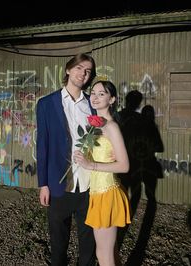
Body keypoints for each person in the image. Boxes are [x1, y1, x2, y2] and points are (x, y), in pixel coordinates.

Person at [36, 53, 97, 266]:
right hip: (58, 185)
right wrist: (43, 184)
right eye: (79, 68)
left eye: (88, 71)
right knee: (58, 246)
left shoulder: (92, 105)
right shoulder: (46, 104)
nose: (83, 73)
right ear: (68, 70)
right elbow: (42, 145)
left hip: (89, 185)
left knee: (88, 246)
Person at [74, 80, 131, 266]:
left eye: (102, 94)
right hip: (96, 193)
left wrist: (91, 165)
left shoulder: (111, 127)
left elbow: (124, 166)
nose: (95, 97)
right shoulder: (95, 126)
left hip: (107, 193)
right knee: (111, 252)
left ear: (112, 99)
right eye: (93, 93)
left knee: (103, 254)